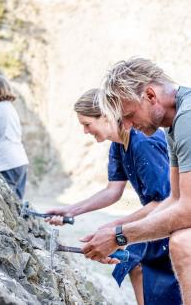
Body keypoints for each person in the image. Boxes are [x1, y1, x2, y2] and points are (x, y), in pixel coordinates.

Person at [45, 89, 180, 305]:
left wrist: (114, 229)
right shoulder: (118, 144)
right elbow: (113, 191)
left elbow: (164, 200)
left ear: (106, 117)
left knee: (143, 266)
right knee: (134, 263)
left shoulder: (143, 141)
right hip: (154, 214)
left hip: (169, 216)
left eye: (87, 124)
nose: (85, 131)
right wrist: (71, 210)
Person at [80, 57, 191, 304]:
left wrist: (119, 236)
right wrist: (114, 233)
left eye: (128, 115)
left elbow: (187, 210)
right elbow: (174, 199)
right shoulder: (174, 125)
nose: (127, 125)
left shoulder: (187, 120)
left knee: (184, 244)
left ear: (150, 95)